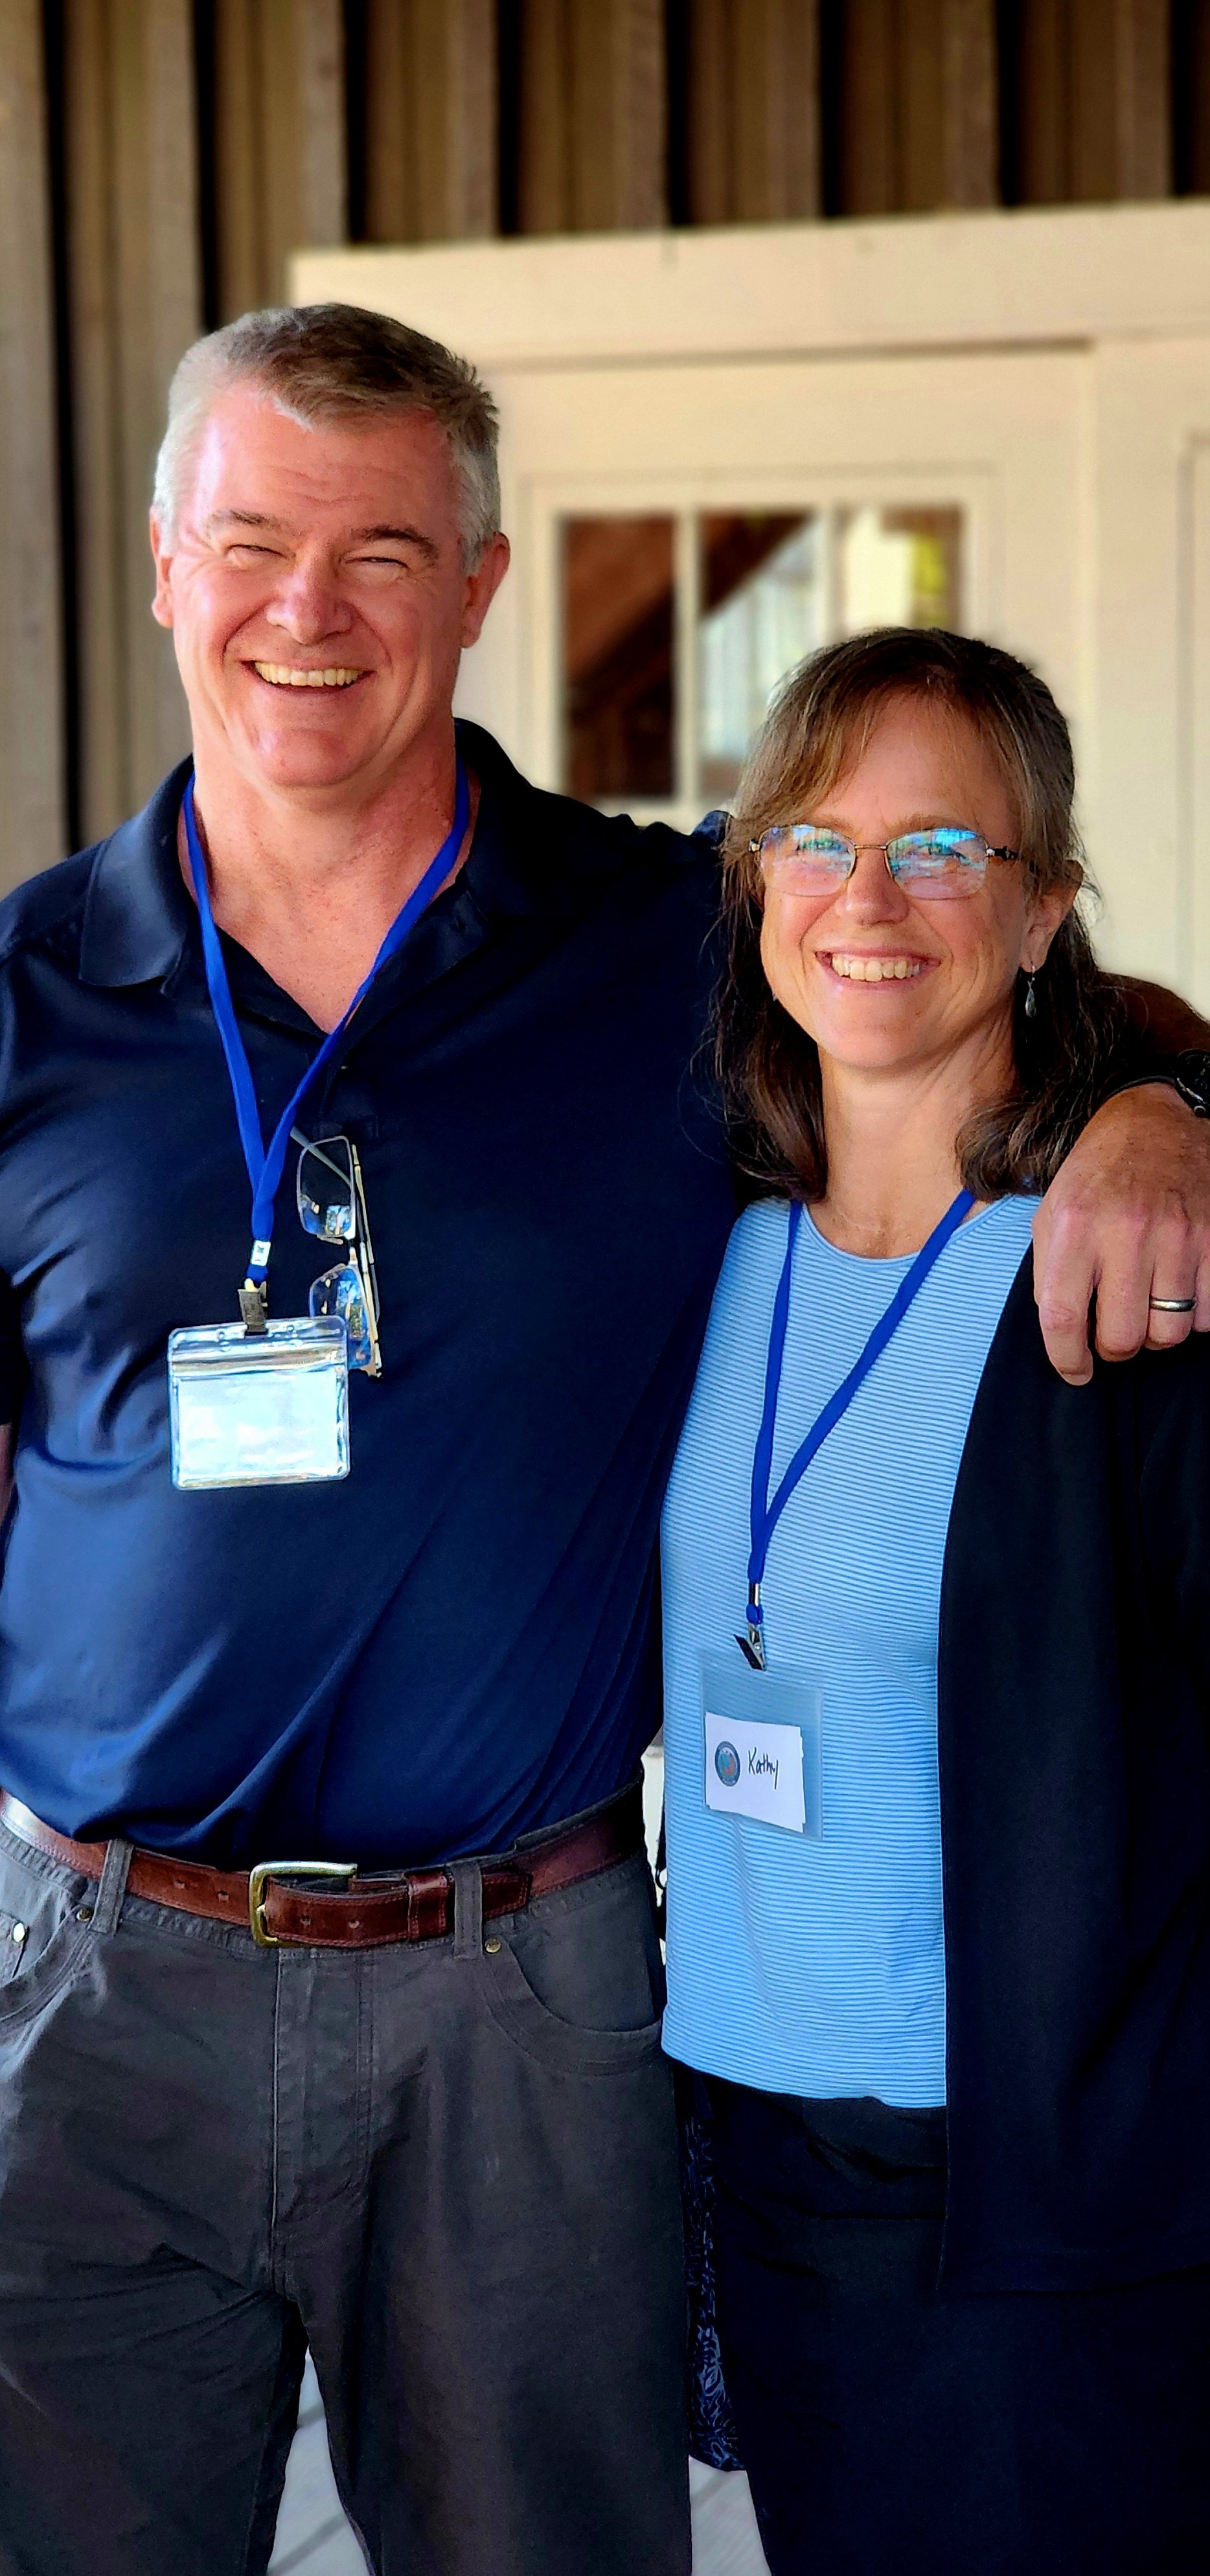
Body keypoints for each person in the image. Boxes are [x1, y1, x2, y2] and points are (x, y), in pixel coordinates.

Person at [0, 308, 1204, 2576]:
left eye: (383, 549)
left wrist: (1168, 1116)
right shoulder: (24, 995)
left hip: (514, 1990)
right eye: (253, 540)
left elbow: (960, 965)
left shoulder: (663, 932)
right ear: (165, 563)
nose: (309, 610)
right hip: (100, 1981)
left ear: (478, 579)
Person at [659, 626, 1210, 2576]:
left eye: (940, 851)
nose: (864, 900)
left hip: (1034, 2180)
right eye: (812, 840)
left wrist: (1174, 1104)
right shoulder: (704, 1247)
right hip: (757, 2150)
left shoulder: (1126, 1279)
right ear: (750, 889)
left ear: (1044, 908)